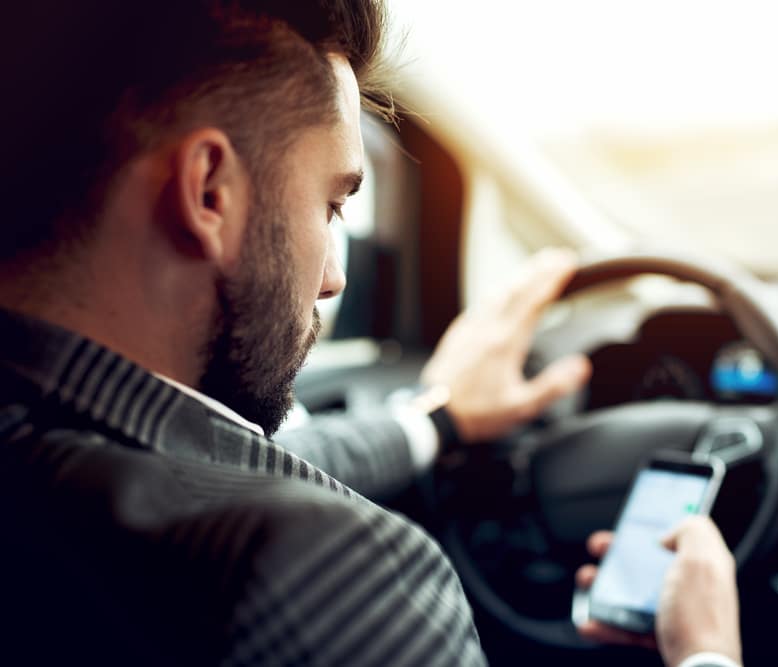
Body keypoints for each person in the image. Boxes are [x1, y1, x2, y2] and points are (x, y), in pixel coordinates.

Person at [0, 0, 740, 665]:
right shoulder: (327, 574)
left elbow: (262, 455)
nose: (332, 280)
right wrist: (706, 652)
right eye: (330, 204)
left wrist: (440, 417)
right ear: (208, 194)